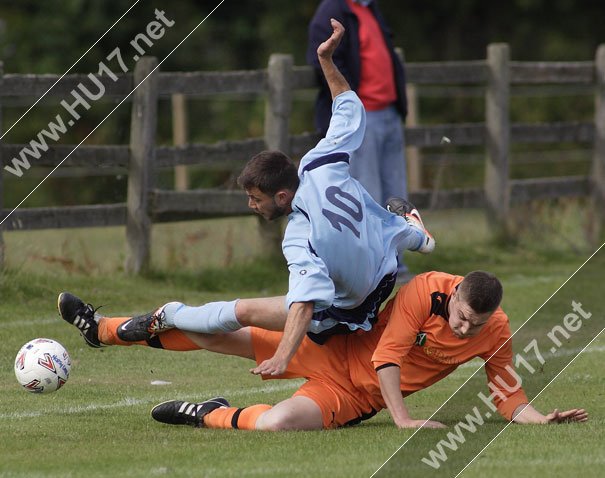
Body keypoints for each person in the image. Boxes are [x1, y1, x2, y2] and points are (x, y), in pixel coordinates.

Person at [59, 19, 434, 377]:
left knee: (230, 320)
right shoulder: (321, 161)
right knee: (398, 233)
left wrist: (282, 357)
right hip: (384, 267)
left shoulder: (301, 234)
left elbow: (304, 303)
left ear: (283, 195)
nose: (251, 206)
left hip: (347, 310)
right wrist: (325, 60)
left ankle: (149, 319)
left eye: (256, 199)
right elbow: (348, 106)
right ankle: (415, 231)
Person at [57, 271, 587, 431]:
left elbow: (505, 387)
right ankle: (100, 329)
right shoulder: (426, 290)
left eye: (475, 325)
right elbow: (388, 358)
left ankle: (211, 414)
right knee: (210, 331)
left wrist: (537, 418)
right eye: (461, 318)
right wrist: (404, 420)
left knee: (274, 426)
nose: (465, 329)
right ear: (456, 295)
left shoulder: (495, 329)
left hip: (353, 397)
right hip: (325, 345)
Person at [308, 0, 412, 280]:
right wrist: (351, 106)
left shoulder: (369, 8)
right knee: (368, 195)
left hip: (389, 113)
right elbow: (321, 63)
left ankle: (396, 262)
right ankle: (373, 267)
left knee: (396, 193)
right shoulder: (332, 11)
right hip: (363, 118)